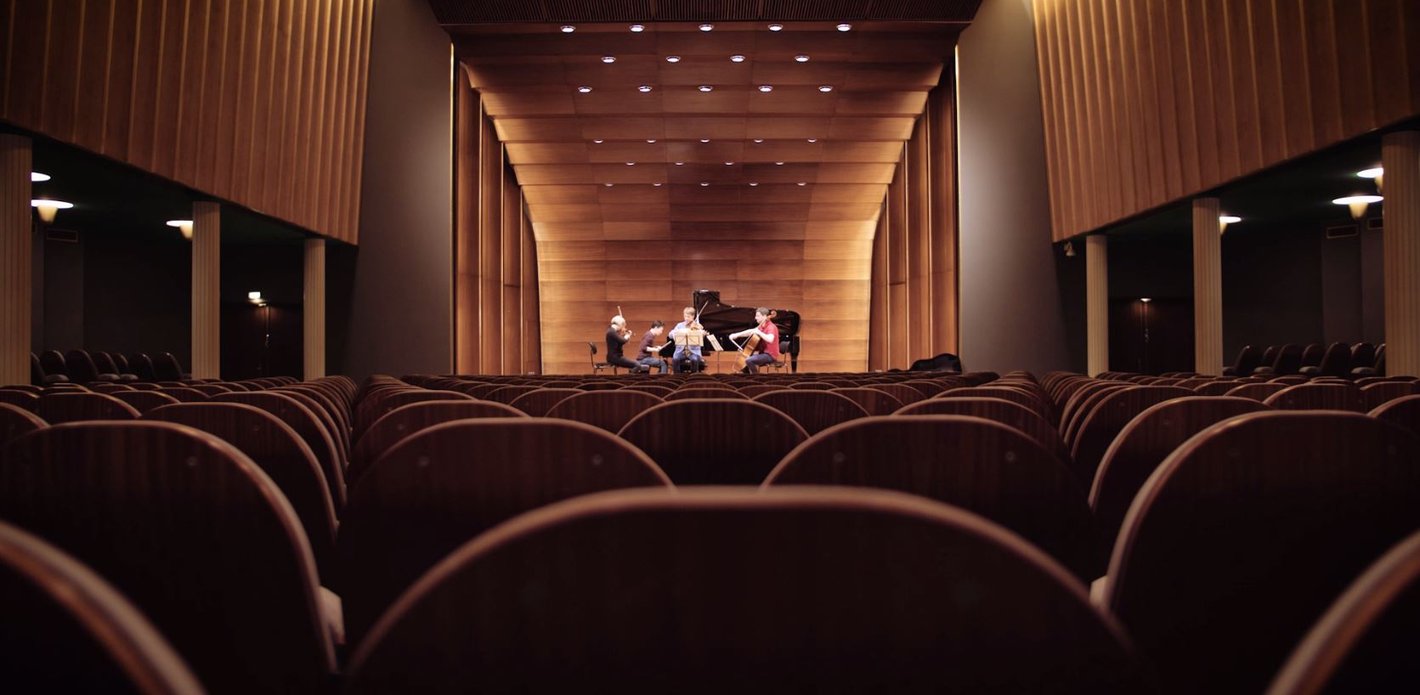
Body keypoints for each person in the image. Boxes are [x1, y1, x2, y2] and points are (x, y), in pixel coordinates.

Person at [729, 307, 780, 374]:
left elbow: (770, 339)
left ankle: (756, 376)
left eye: (758, 316)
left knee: (749, 360)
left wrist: (759, 332)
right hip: (763, 353)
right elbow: (751, 331)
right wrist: (736, 335)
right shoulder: (761, 326)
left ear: (764, 316)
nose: (755, 318)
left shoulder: (771, 327)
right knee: (744, 359)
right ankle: (746, 376)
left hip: (770, 355)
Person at [669, 306, 705, 373]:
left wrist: (701, 333)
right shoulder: (679, 325)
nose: (686, 318)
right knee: (675, 359)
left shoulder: (697, 325)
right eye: (685, 316)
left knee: (694, 359)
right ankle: (677, 376)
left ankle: (693, 376)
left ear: (693, 316)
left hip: (693, 351)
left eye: (688, 317)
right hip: (680, 351)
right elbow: (670, 334)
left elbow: (701, 334)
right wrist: (676, 333)